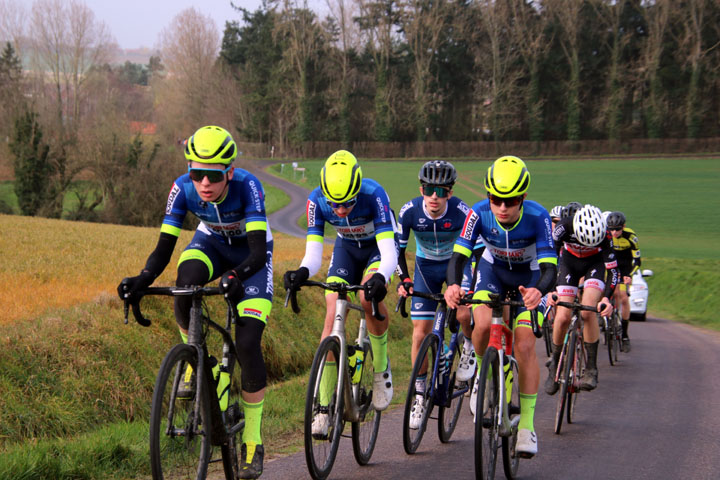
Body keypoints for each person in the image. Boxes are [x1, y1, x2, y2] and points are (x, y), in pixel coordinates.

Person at [117, 126, 273, 479]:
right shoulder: (182, 188)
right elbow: (164, 247)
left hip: (250, 255)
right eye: (196, 173)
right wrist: (142, 278)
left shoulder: (248, 186)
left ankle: (252, 439)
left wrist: (236, 275)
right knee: (185, 284)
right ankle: (192, 357)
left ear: (229, 172)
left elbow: (259, 252)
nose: (203, 182)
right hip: (211, 244)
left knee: (248, 342)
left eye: (213, 175)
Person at [444, 155, 557, 458]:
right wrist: (454, 285)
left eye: (511, 201)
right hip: (493, 272)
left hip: (530, 279)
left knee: (523, 345)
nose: (503, 208)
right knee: (481, 325)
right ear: (488, 196)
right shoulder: (479, 213)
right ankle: (484, 374)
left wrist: (538, 291)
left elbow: (550, 269)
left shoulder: (538, 217)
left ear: (523, 198)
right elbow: (458, 257)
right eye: (496, 199)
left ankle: (527, 427)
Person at [283, 150, 398, 435]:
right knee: (332, 311)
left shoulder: (375, 195)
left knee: (365, 296)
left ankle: (381, 369)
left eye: (347, 203)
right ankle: (323, 408)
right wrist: (300, 273)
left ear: (357, 189)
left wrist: (382, 277)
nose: (340, 210)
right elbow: (313, 255)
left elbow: (388, 252)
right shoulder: (315, 201)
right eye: (334, 204)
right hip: (346, 251)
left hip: (376, 251)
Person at [396, 160, 475, 430]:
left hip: (458, 263)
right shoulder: (409, 212)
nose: (434, 196)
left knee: (464, 311)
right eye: (429, 190)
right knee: (420, 332)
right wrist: (404, 280)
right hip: (425, 267)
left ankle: (469, 347)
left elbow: (475, 250)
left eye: (440, 191)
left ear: (449, 193)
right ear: (421, 189)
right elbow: (397, 250)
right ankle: (419, 393)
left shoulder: (463, 212)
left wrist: (472, 285)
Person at [545, 204, 616, 396]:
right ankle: (555, 363)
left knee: (587, 311)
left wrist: (607, 300)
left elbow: (613, 271)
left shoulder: (606, 235)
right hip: (569, 263)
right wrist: (551, 291)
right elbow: (549, 259)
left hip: (594, 265)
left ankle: (591, 368)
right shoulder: (563, 227)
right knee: (562, 317)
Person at [607, 211, 641, 352]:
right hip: (610, 265)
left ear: (624, 227)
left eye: (618, 229)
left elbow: (637, 261)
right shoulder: (605, 235)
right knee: (609, 292)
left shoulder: (631, 237)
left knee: (624, 298)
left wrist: (629, 275)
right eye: (611, 229)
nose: (614, 232)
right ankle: (605, 321)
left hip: (625, 267)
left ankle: (625, 335)